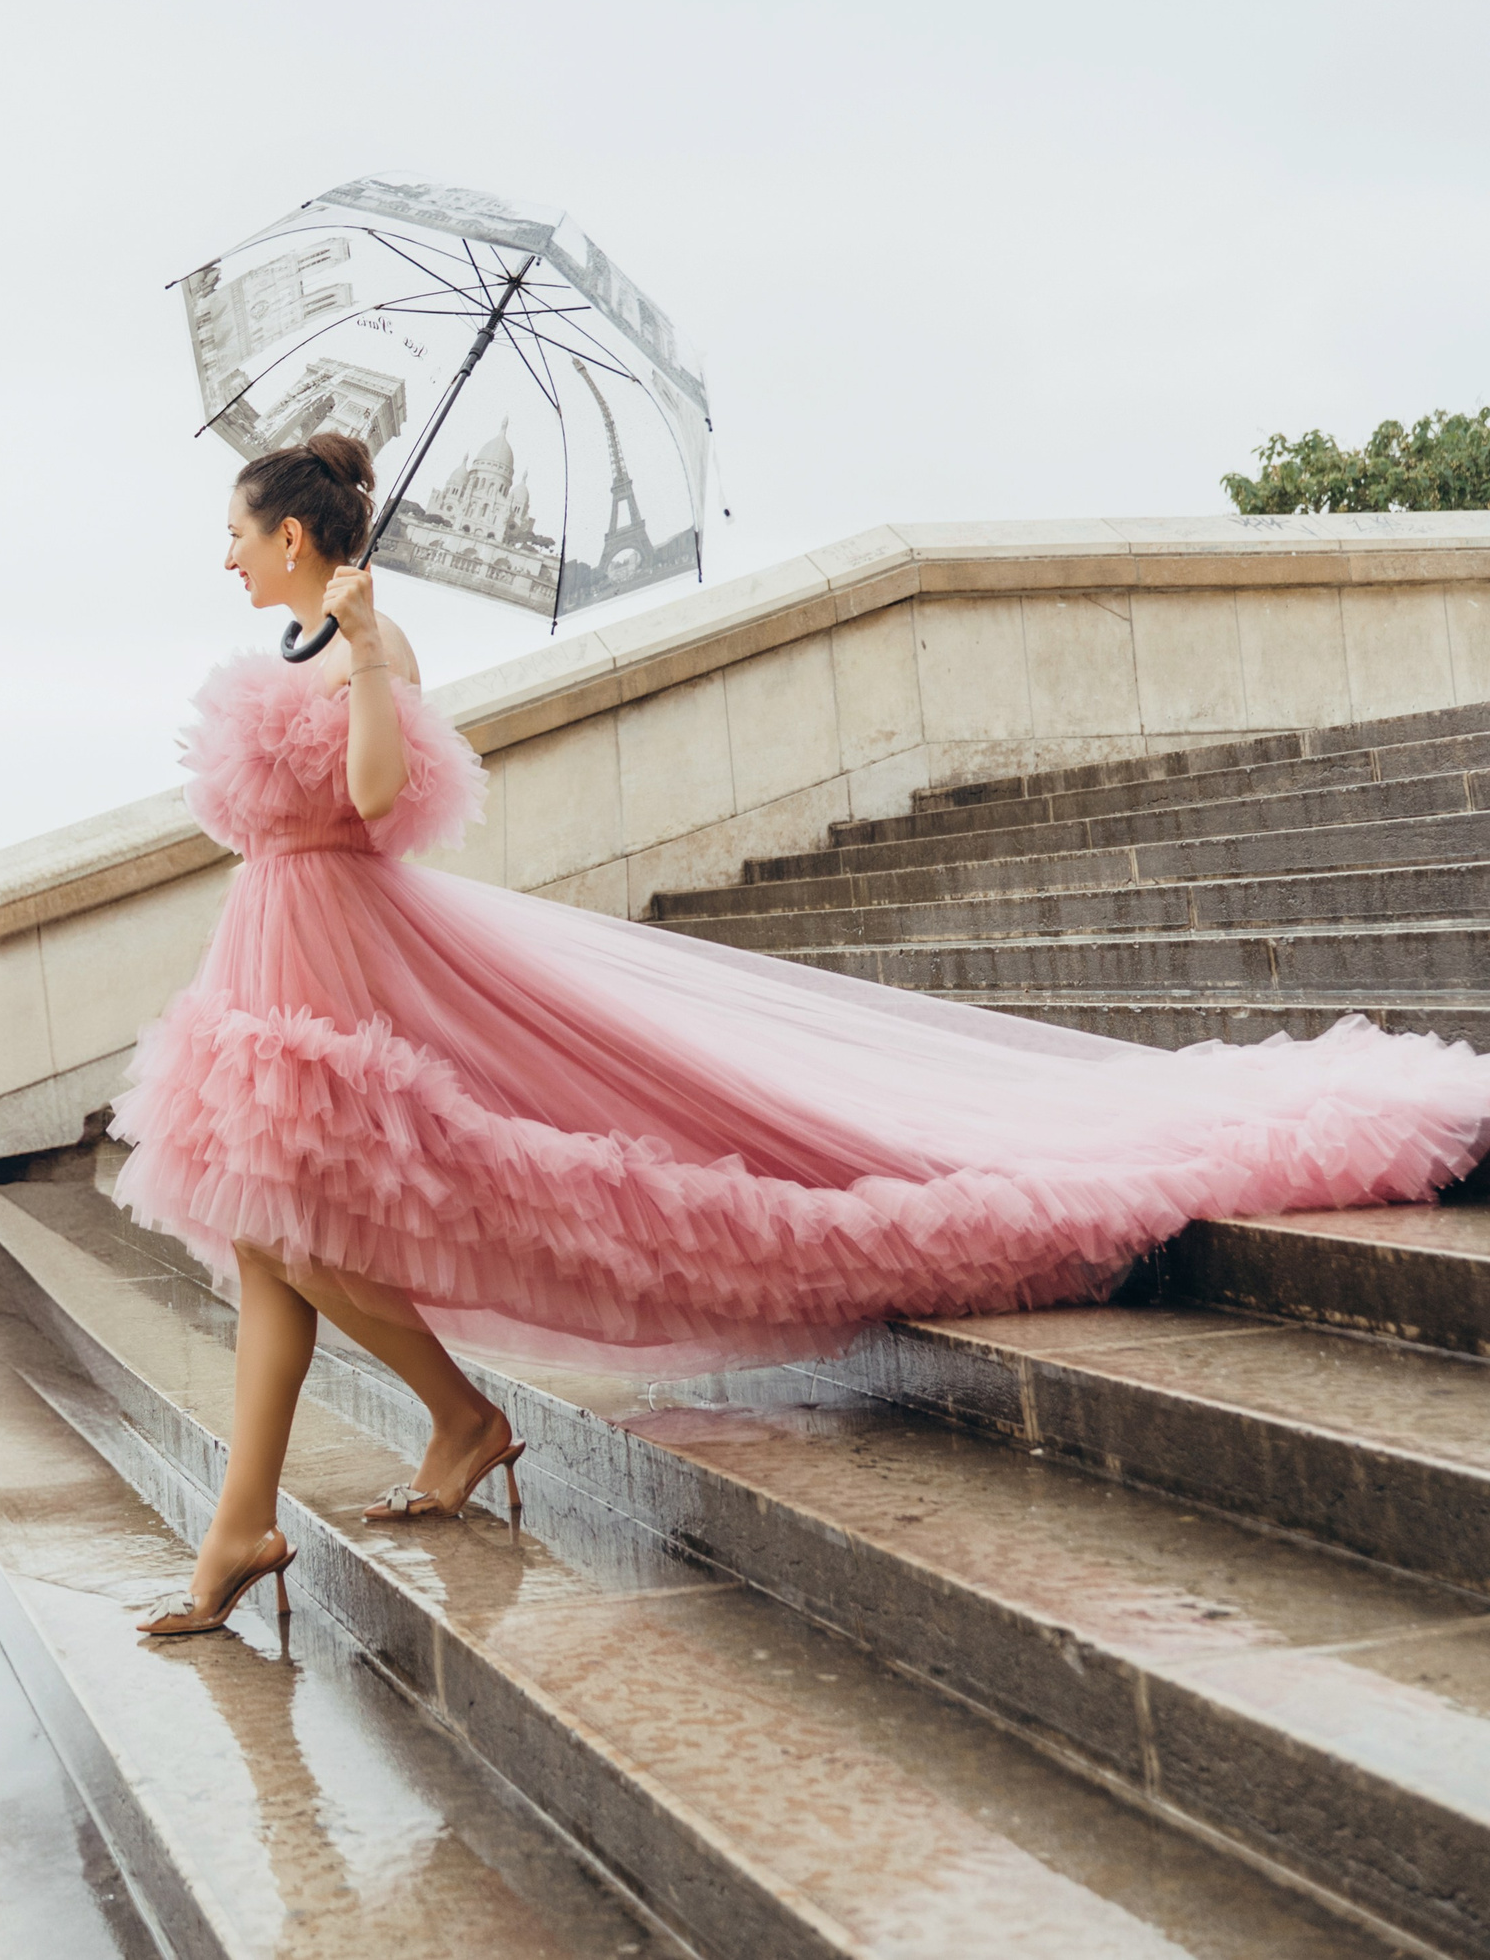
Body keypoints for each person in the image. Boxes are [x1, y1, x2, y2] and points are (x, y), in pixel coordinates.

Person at [113, 434, 1490, 1637]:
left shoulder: (368, 642)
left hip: (346, 959)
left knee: (294, 1234)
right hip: (273, 952)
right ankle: (277, 1504)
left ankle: (408, 1445)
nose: (227, 558)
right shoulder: (281, 644)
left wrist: (364, 653)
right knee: (268, 1239)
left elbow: (373, 793)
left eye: (237, 534)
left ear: (291, 534)